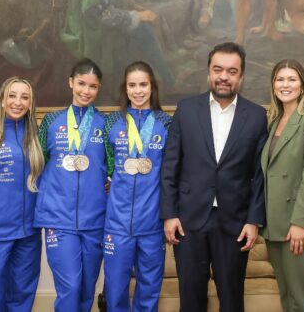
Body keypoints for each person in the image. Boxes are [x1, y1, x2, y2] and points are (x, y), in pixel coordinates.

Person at [160, 42, 267, 312]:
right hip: (188, 221)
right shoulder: (186, 109)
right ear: (208, 72)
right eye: (218, 69)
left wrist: (253, 220)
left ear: (241, 76)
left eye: (232, 71)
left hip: (235, 223)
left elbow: (259, 174)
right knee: (191, 299)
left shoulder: (256, 116)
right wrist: (169, 214)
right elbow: (170, 165)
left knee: (231, 300)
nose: (224, 76)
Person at [35, 59, 108, 312]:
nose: (86, 91)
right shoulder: (51, 121)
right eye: (81, 84)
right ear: (70, 83)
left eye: (92, 86)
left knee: (87, 289)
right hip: (59, 219)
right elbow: (38, 163)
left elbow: (112, 166)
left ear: (98, 88)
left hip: (95, 220)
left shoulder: (105, 124)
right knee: (70, 287)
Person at [103, 62, 172, 312]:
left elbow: (171, 171)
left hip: (152, 223)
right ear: (125, 88)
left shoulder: (166, 123)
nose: (138, 91)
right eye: (132, 85)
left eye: (143, 84)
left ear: (152, 87)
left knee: (149, 289)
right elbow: (106, 164)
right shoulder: (112, 122)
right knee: (115, 290)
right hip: (117, 223)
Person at [260, 59, 304, 312]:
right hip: (274, 223)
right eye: (280, 79)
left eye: (292, 79)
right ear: (273, 85)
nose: (285, 85)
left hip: (299, 225)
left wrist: (299, 223)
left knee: (300, 300)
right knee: (287, 298)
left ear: (302, 85)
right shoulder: (273, 121)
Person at [0, 77, 45, 312]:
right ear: (2, 100)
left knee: (22, 296)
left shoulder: (37, 136)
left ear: (31, 103)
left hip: (29, 232)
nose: (18, 102)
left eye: (25, 97)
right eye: (12, 96)